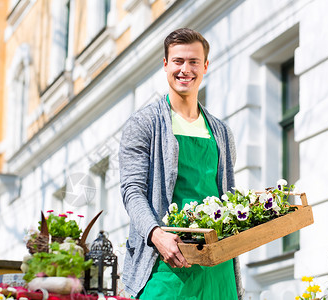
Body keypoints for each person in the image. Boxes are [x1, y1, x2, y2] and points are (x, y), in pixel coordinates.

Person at [119, 28, 243, 299]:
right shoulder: (144, 125)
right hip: (166, 265)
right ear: (165, 65)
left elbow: (226, 196)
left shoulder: (222, 133)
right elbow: (132, 191)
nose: (185, 69)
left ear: (205, 66)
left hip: (217, 270)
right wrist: (156, 234)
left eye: (193, 61)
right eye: (177, 61)